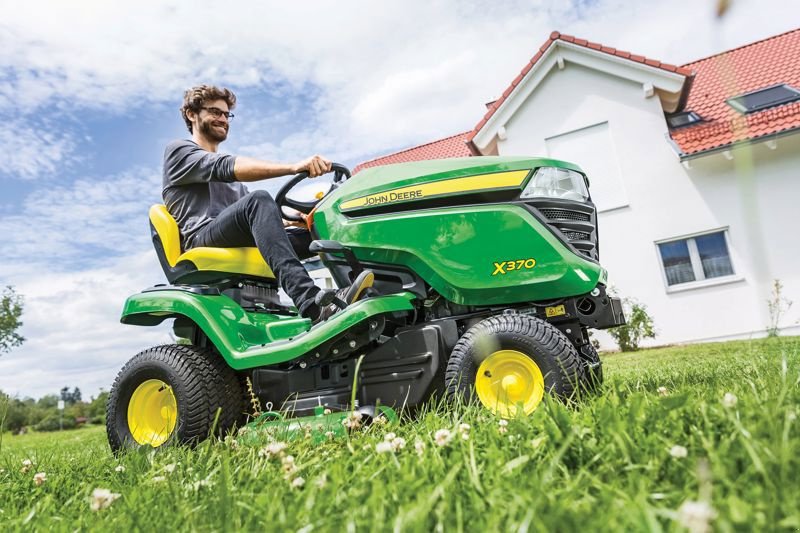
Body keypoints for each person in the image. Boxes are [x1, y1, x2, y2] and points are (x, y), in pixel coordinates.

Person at [162, 84, 373, 322]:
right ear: (192, 114)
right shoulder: (180, 151)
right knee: (258, 200)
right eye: (215, 112)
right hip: (201, 237)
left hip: (236, 236)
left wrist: (295, 220)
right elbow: (228, 171)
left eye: (226, 114)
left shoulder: (236, 185)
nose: (223, 119)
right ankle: (312, 304)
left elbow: (258, 221)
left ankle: (367, 290)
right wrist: (293, 167)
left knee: (320, 231)